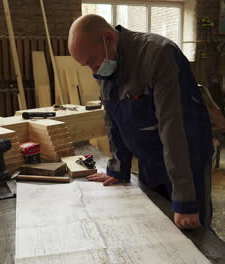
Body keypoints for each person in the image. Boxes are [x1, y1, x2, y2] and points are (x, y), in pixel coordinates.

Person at [68, 15, 213, 229]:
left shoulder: (158, 54)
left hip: (187, 162)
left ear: (108, 38)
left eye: (92, 61)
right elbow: (113, 120)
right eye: (86, 66)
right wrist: (118, 169)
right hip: (149, 160)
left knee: (193, 232)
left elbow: (175, 128)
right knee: (158, 226)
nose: (93, 71)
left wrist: (185, 200)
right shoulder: (107, 65)